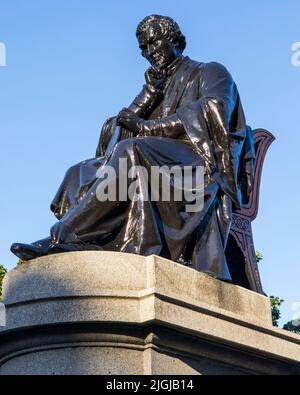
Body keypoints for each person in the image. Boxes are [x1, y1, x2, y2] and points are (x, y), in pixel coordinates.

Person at [11, 15, 255, 283]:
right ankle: (90, 242)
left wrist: (148, 128)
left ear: (173, 39)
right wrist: (148, 95)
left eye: (153, 43)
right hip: (151, 155)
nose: (149, 53)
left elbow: (212, 112)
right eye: (143, 49)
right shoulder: (158, 86)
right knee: (79, 171)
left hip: (197, 159)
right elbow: (119, 129)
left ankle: (65, 234)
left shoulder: (210, 71)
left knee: (131, 150)